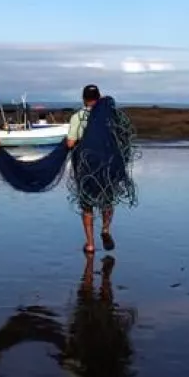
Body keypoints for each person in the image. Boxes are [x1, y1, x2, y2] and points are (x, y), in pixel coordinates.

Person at [65, 84, 115, 254]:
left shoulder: (77, 117)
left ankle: (91, 244)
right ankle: (105, 229)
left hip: (85, 166)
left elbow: (70, 143)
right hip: (106, 164)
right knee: (107, 200)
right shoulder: (109, 116)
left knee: (87, 205)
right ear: (99, 98)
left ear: (84, 99)